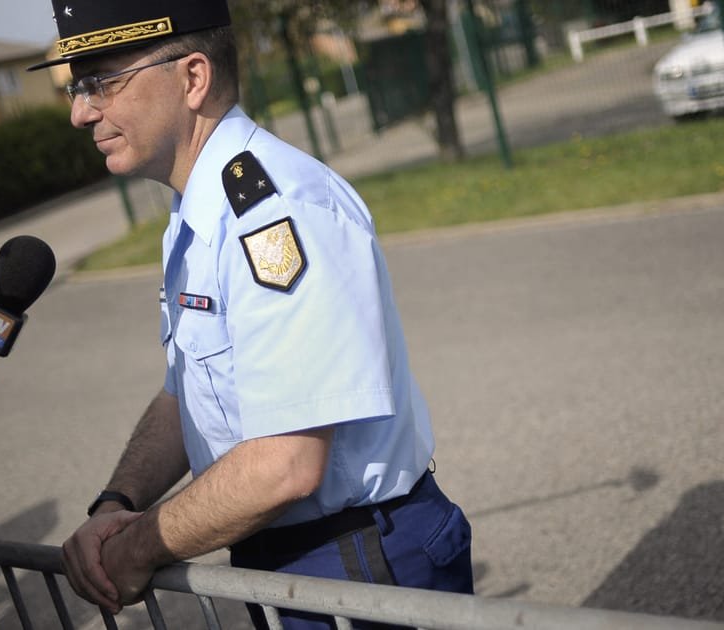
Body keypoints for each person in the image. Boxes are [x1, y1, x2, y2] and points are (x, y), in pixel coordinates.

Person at [29, 1, 474, 627]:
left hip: (357, 559)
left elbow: (287, 462)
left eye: (102, 82)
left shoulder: (273, 212)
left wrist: (137, 547)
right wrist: (116, 503)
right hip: (284, 558)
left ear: (192, 78)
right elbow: (187, 389)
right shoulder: (195, 215)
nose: (81, 111)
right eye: (79, 86)